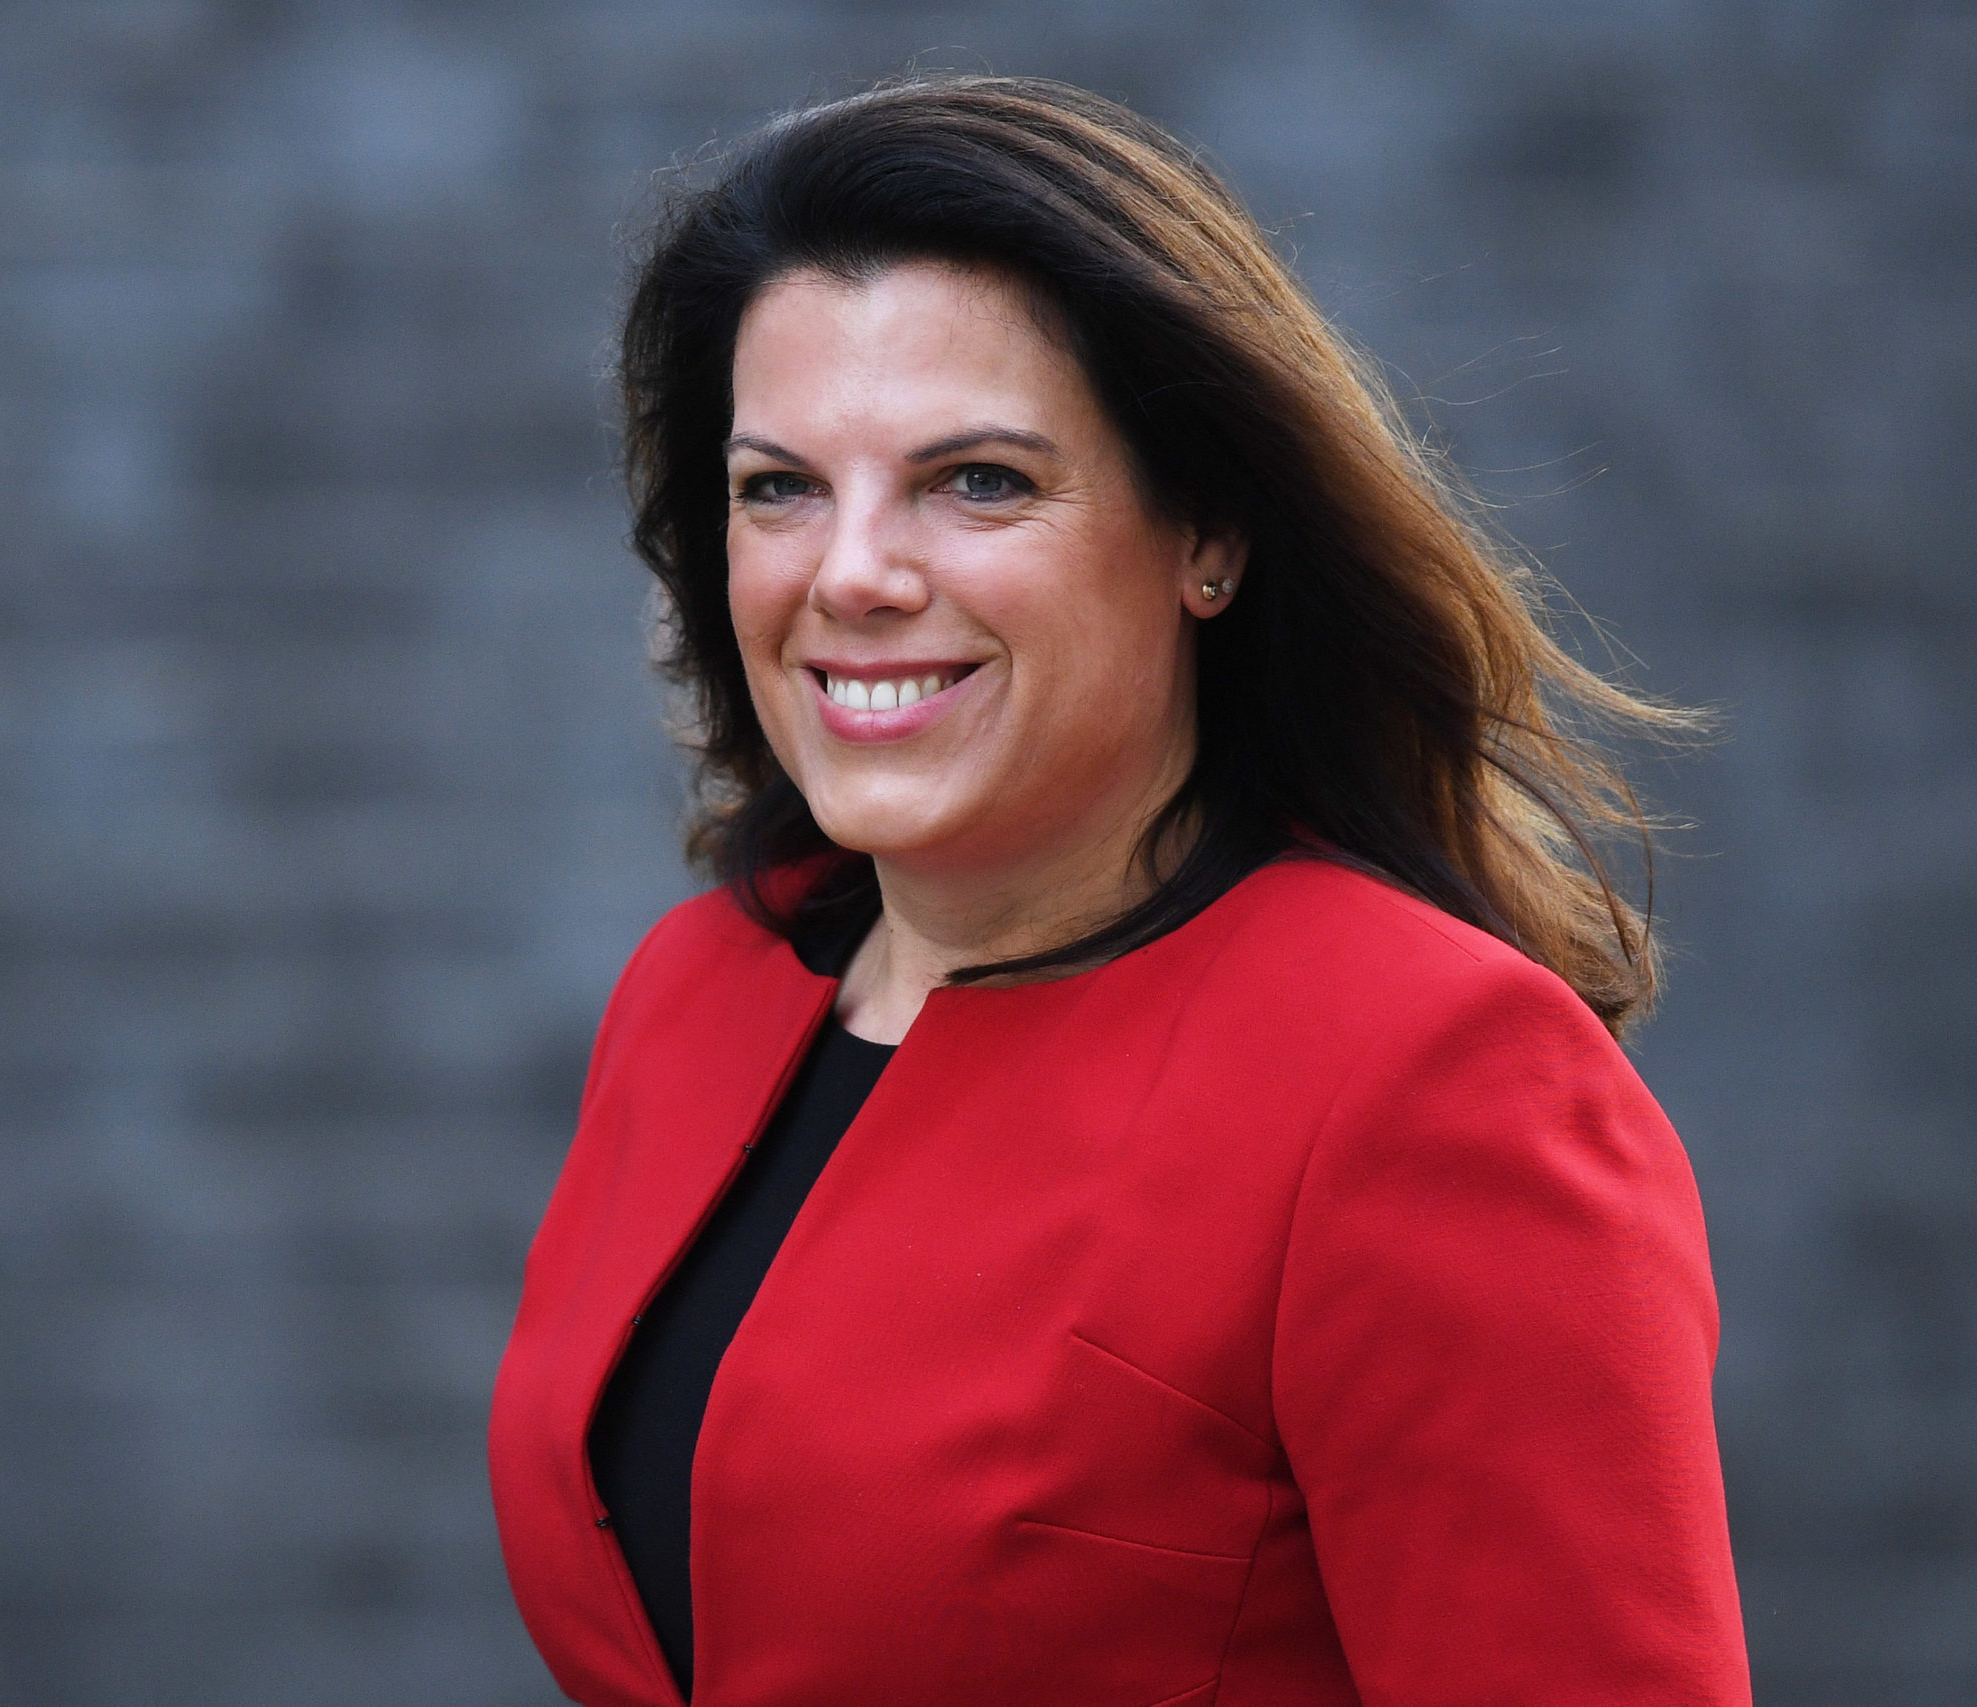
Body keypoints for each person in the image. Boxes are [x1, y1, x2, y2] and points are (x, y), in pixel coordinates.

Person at [488, 75, 1749, 1707]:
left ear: (1205, 532)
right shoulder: (699, 991)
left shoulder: (1432, 1084)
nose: (850, 573)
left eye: (980, 481)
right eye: (779, 487)